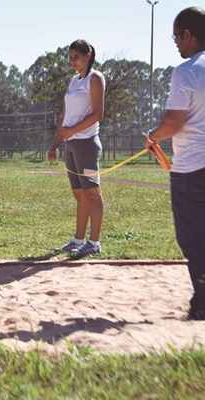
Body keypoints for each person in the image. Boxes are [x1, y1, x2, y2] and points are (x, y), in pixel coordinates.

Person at [144, 7, 205, 320]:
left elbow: (174, 121)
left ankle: (203, 300)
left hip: (193, 168)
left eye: (176, 37)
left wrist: (153, 136)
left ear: (188, 35)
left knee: (192, 236)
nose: (176, 44)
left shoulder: (187, 71)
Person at [48, 39, 106, 259]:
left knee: (92, 193)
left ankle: (94, 242)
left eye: (76, 57)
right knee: (79, 194)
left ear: (88, 55)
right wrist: (56, 144)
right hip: (70, 145)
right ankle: (78, 239)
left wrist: (72, 131)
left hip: (87, 145)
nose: (72, 61)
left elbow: (98, 114)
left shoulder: (95, 78)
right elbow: (65, 116)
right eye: (70, 57)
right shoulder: (73, 81)